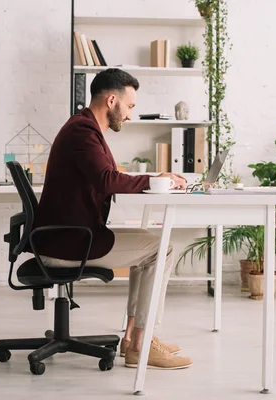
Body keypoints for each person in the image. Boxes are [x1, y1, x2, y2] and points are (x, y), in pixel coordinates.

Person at [33, 68, 193, 369]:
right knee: (162, 248)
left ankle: (134, 340)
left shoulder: (84, 128)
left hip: (68, 237)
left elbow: (108, 176)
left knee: (153, 246)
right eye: (130, 106)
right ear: (111, 100)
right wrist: (153, 180)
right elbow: (107, 180)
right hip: (69, 243)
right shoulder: (82, 131)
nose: (131, 115)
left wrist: (150, 179)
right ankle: (141, 344)